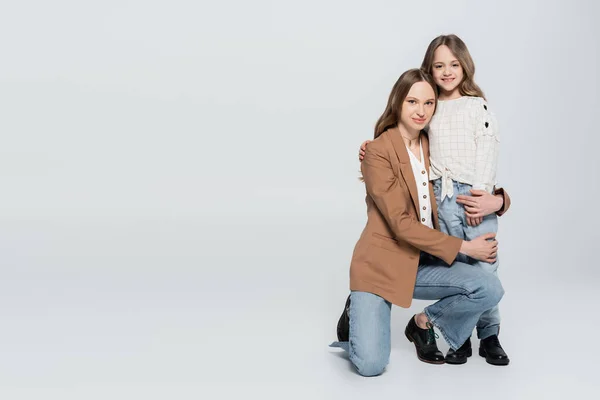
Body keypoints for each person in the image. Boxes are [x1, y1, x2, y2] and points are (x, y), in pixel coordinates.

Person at [329, 68, 509, 377]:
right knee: (371, 365)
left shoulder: (430, 143)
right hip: (382, 266)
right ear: (398, 102)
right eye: (413, 102)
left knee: (489, 287)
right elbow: (400, 223)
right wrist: (466, 247)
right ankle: (354, 312)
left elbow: (473, 175)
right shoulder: (378, 151)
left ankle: (423, 323)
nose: (421, 111)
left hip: (422, 263)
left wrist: (501, 200)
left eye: (428, 103)